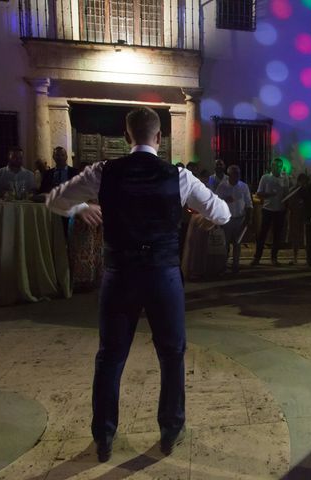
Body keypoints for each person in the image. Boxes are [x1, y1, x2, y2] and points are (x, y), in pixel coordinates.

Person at [45, 107, 230, 461]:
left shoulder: (104, 171)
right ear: (159, 139)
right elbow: (221, 212)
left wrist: (80, 208)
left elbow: (54, 200)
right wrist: (205, 217)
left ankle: (103, 435)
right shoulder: (178, 177)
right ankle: (170, 428)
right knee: (172, 355)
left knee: (110, 357)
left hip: (120, 274)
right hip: (163, 274)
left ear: (127, 137)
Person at [251, 157, 290, 266]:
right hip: (267, 210)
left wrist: (287, 204)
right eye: (274, 165)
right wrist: (269, 194)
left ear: (281, 167)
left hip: (280, 211)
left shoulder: (285, 178)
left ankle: (274, 258)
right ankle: (257, 258)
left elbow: (286, 194)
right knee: (262, 234)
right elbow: (259, 193)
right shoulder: (265, 178)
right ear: (271, 166)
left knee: (277, 236)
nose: (276, 168)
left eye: (279, 166)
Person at [216, 164, 253, 273]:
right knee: (225, 243)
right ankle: (223, 264)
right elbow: (216, 201)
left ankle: (235, 264)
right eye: (234, 174)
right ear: (229, 175)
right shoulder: (222, 186)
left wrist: (248, 218)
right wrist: (224, 200)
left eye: (238, 174)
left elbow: (248, 203)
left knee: (237, 243)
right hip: (227, 219)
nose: (236, 176)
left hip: (239, 218)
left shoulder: (243, 186)